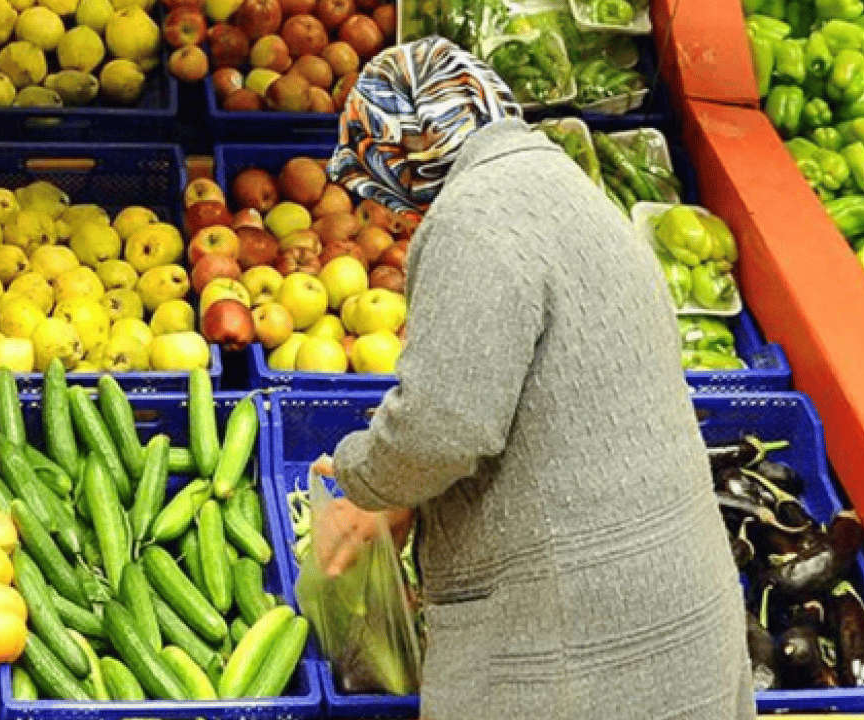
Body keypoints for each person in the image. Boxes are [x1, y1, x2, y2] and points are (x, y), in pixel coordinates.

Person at [311, 35, 755, 720]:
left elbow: (442, 424)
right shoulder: (564, 189)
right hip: (676, 619)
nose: (392, 215)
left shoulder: (475, 215)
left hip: (582, 649)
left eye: (378, 184)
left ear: (403, 152)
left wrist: (364, 479)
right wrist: (407, 497)